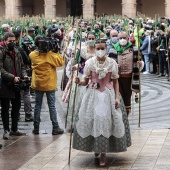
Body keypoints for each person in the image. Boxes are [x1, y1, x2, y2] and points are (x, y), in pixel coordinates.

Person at [73, 39, 131, 167]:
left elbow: (115, 82)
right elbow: (85, 81)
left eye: (102, 48)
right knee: (92, 120)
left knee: (105, 121)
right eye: (98, 48)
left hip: (108, 94)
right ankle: (96, 147)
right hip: (92, 94)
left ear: (106, 49)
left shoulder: (112, 63)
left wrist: (117, 98)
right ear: (94, 49)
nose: (100, 51)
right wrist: (78, 81)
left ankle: (103, 152)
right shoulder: (89, 63)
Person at [29, 35, 64, 135]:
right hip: (49, 84)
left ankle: (36, 128)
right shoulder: (50, 55)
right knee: (52, 106)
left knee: (37, 106)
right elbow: (61, 62)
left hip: (38, 84)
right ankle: (55, 127)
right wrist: (56, 51)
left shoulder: (32, 54)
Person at [0, 32, 28, 140]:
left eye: (14, 41)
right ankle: (6, 130)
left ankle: (14, 129)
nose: (12, 43)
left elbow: (22, 66)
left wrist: (24, 75)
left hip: (17, 84)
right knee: (5, 108)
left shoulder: (17, 51)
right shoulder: (1, 52)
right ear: (5, 41)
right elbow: (0, 69)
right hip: (5, 85)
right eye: (10, 41)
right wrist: (12, 77)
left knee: (16, 107)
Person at [113, 32, 144, 115]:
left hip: (129, 78)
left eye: (124, 38)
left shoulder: (134, 49)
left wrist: (140, 64)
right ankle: (119, 115)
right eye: (120, 38)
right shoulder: (113, 49)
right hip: (117, 78)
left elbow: (140, 61)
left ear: (128, 39)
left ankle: (126, 115)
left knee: (127, 97)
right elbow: (109, 63)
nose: (122, 40)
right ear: (118, 39)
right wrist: (114, 66)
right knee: (118, 96)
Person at [13, 30, 33, 122]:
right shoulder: (20, 49)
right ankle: (28, 115)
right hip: (20, 74)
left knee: (15, 96)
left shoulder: (4, 50)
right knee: (25, 94)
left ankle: (16, 115)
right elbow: (27, 60)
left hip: (12, 76)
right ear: (18, 38)